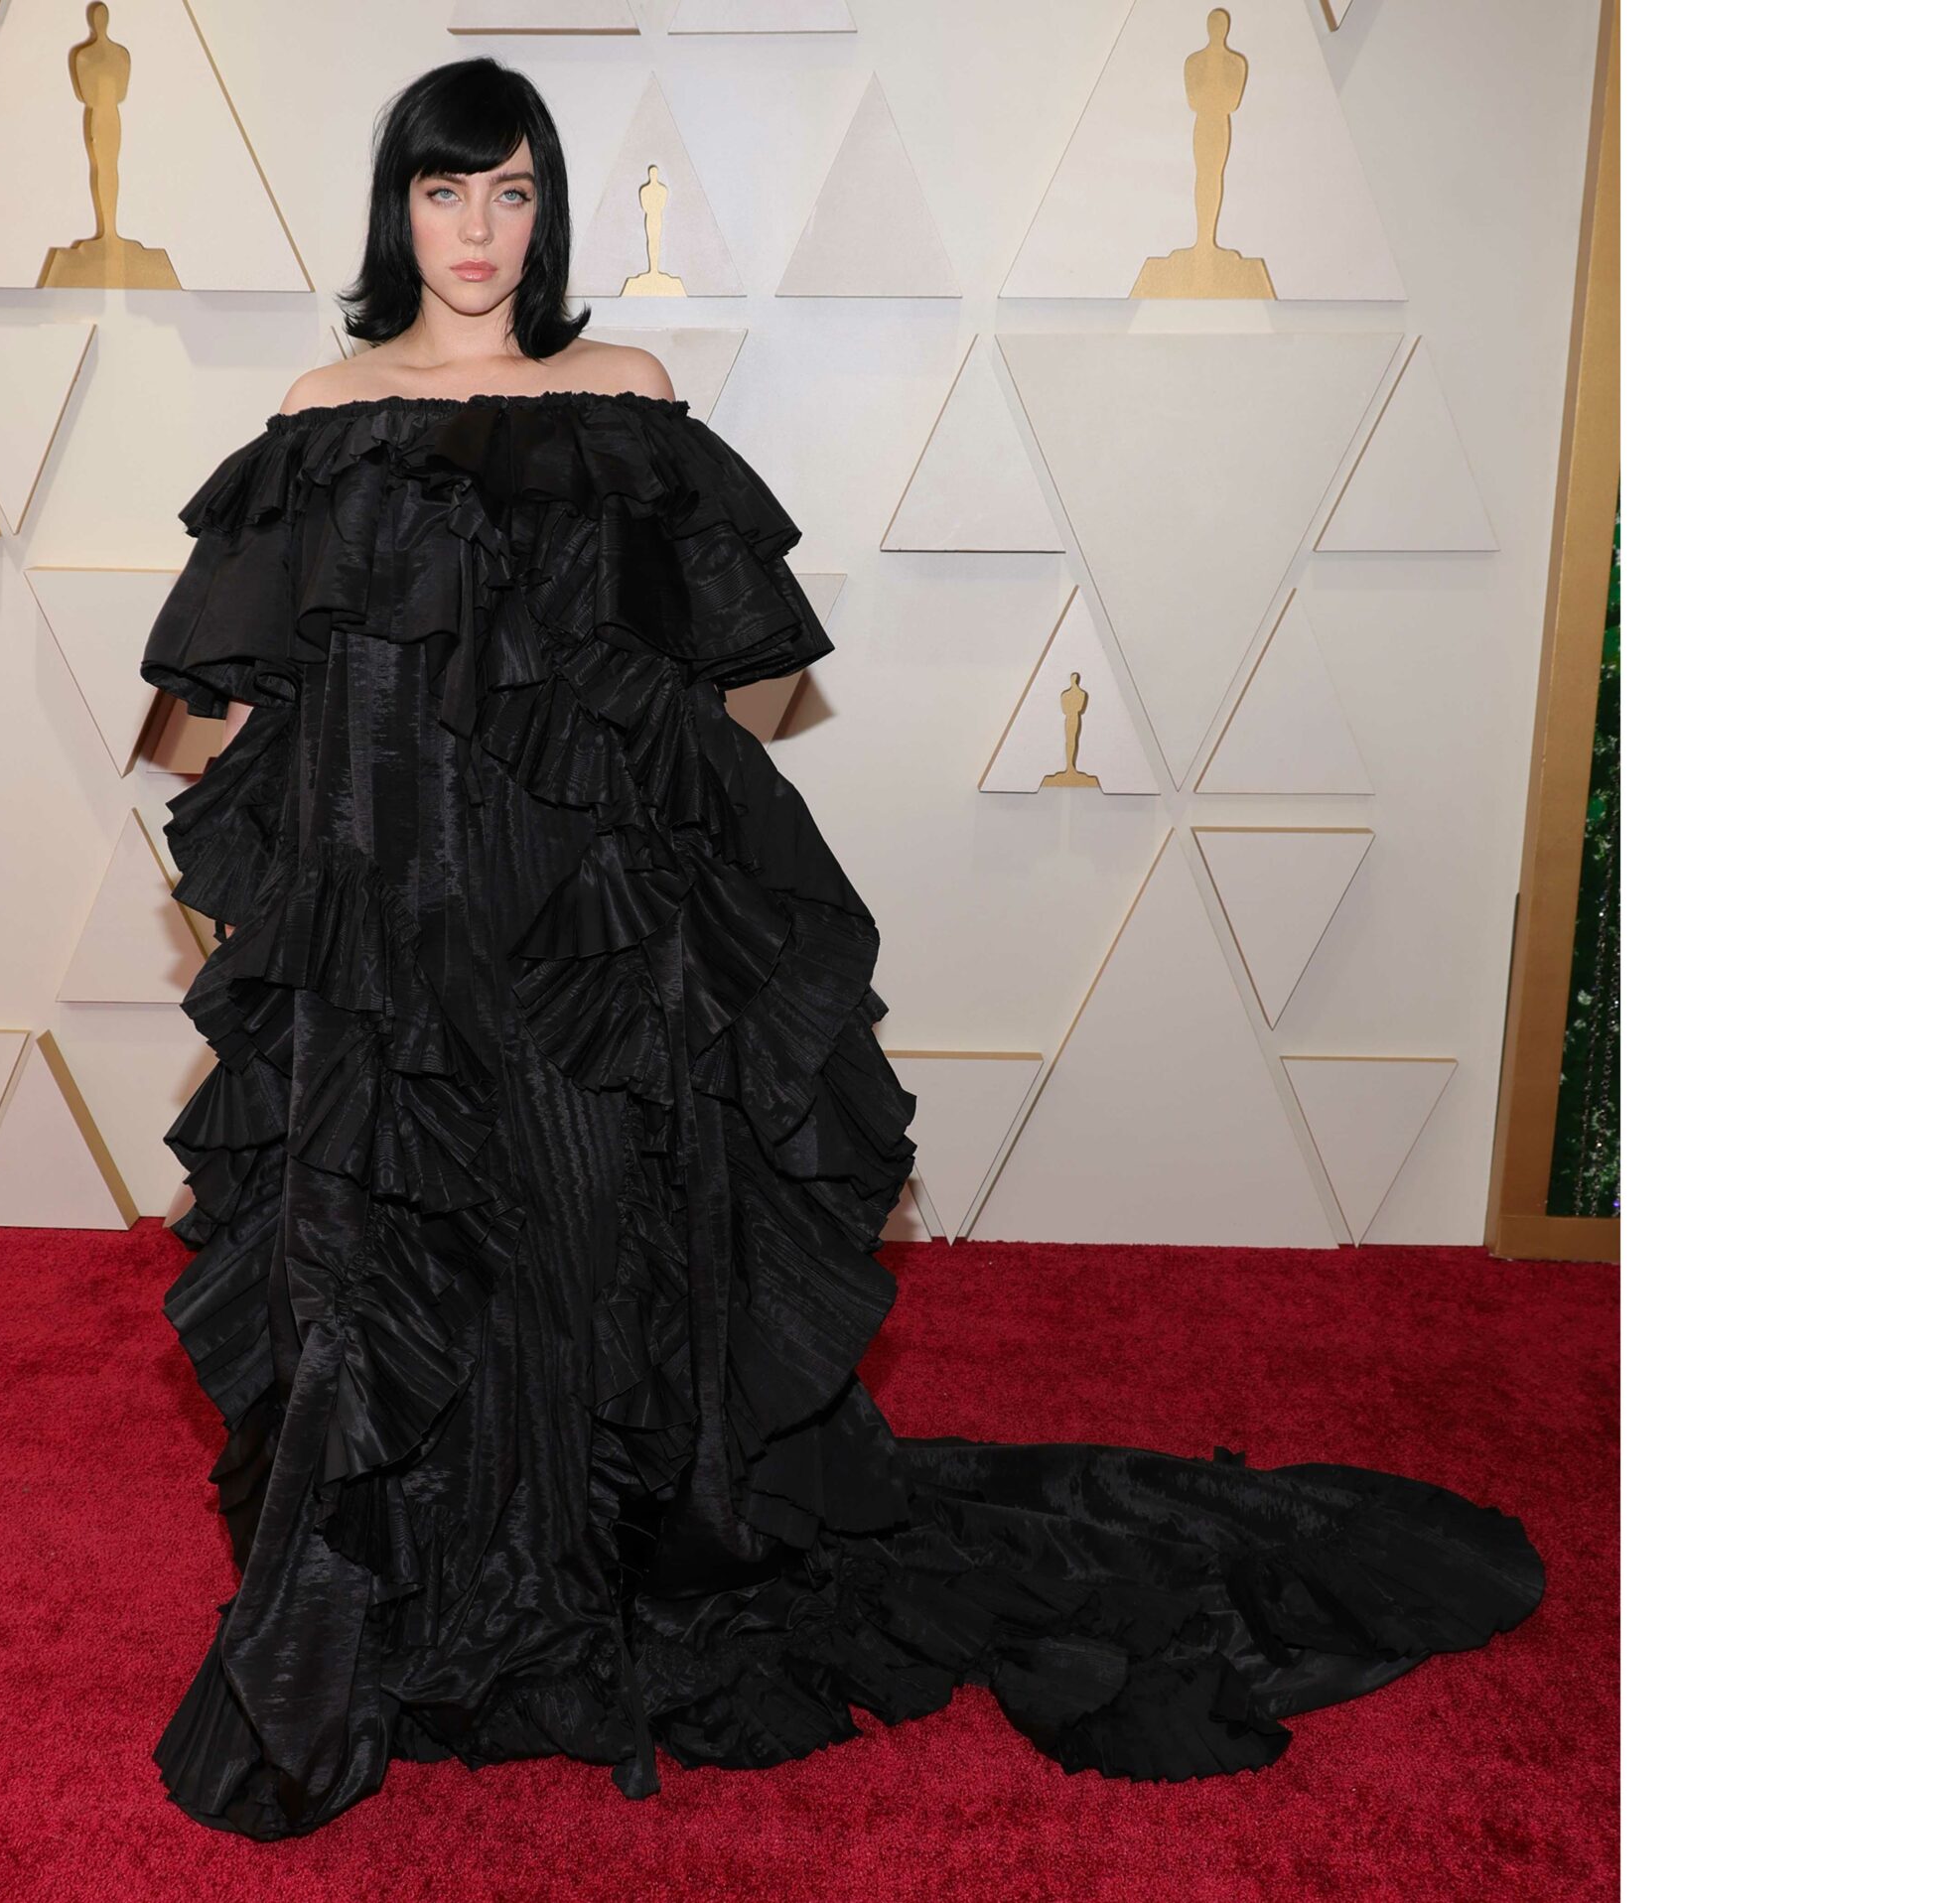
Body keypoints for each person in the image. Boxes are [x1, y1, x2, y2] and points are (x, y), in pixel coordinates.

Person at [137, 56, 1544, 1844]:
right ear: (394, 208)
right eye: (443, 190)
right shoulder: (321, 413)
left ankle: (578, 1568)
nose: (477, 231)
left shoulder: (627, 395)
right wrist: (307, 890)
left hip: (584, 940)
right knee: (383, 1279)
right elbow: (248, 694)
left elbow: (725, 676)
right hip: (406, 939)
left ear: (546, 213)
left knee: (595, 1260)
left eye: (511, 192)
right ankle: (398, 1601)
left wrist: (648, 873)